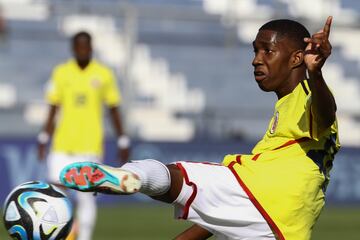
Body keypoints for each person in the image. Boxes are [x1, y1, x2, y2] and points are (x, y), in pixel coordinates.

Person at [59, 16, 339, 240]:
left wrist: (316, 73)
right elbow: (235, 209)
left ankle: (130, 175)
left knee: (176, 176)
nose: (256, 59)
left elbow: (325, 115)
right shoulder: (288, 123)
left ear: (296, 58)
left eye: (268, 50)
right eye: (255, 50)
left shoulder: (307, 95)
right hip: (286, 225)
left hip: (269, 195)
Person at [37, 31, 130, 240]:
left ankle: (84, 237)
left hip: (90, 145)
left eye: (86, 46)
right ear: (73, 49)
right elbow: (53, 107)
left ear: (91, 48)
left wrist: (123, 138)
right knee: (56, 196)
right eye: (79, 46)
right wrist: (44, 137)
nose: (83, 50)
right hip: (62, 145)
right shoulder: (61, 72)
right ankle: (55, 235)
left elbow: (113, 108)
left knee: (87, 198)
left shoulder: (103, 74)